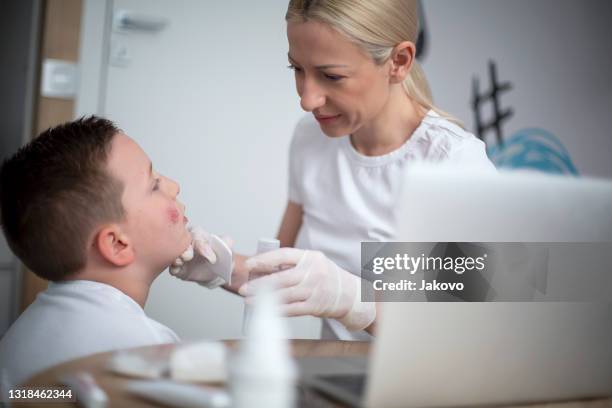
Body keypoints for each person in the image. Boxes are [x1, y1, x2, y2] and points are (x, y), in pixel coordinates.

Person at [171, 0, 495, 340]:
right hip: (335, 373)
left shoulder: (453, 163)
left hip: (426, 387)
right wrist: (223, 266)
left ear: (398, 62)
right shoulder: (311, 140)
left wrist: (354, 300)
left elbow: (478, 327)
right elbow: (276, 276)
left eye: (331, 76)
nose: (307, 100)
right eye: (296, 69)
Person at [0, 117, 191, 385]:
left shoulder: (19, 334)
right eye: (154, 185)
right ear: (117, 244)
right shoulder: (146, 350)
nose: (174, 186)